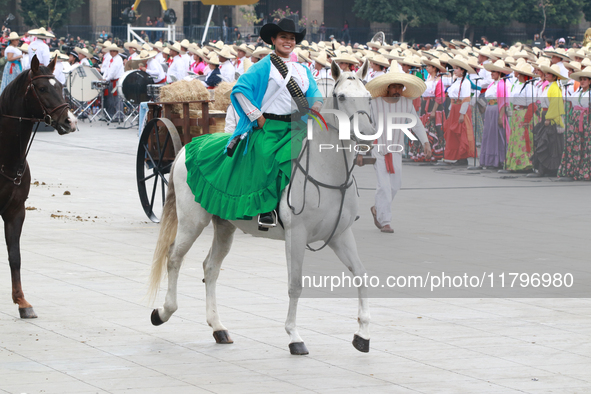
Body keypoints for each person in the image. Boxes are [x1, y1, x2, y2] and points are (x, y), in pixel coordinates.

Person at [183, 18, 322, 227]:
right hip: (270, 127)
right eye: (283, 37)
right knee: (266, 155)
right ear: (273, 40)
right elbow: (240, 90)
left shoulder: (303, 70)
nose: (288, 41)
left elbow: (315, 94)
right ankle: (267, 209)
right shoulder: (265, 65)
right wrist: (258, 118)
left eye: (292, 38)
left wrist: (316, 106)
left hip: (296, 126)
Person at [365, 72, 432, 233]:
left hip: (396, 150)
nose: (397, 90)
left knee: (395, 185)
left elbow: (416, 124)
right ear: (387, 88)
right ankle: (385, 221)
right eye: (394, 86)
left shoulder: (406, 104)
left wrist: (426, 142)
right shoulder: (374, 103)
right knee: (384, 186)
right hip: (378, 149)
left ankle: (377, 209)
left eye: (400, 87)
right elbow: (366, 124)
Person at [529, 64, 566, 177]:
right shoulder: (548, 86)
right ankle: (545, 169)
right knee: (546, 143)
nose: (546, 75)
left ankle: (544, 170)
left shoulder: (555, 88)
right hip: (545, 115)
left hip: (550, 117)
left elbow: (555, 105)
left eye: (549, 73)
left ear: (555, 76)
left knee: (547, 143)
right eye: (546, 73)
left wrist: (549, 118)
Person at [558, 66, 591, 181]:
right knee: (575, 144)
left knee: (586, 145)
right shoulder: (579, 91)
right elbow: (570, 102)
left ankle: (585, 171)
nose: (582, 81)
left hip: (587, 121)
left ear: (590, 81)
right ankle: (574, 169)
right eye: (581, 79)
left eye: (585, 79)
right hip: (576, 121)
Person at [443, 56, 477, 165]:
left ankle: (463, 157)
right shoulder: (456, 81)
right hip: (454, 108)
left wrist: (462, 113)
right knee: (453, 132)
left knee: (461, 132)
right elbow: (452, 98)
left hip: (461, 108)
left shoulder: (466, 82)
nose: (455, 70)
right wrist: (449, 111)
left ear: (462, 70)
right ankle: (456, 155)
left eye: (457, 68)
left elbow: (466, 98)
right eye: (455, 68)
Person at [480, 59, 512, 169]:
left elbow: (503, 101)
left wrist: (500, 116)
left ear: (500, 73)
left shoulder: (503, 84)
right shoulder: (492, 84)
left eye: (494, 71)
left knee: (497, 135)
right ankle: (488, 160)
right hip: (490, 109)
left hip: (497, 110)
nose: (491, 73)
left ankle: (498, 160)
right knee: (489, 135)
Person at [505, 62, 537, 172]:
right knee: (516, 139)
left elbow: (532, 105)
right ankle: (515, 163)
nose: (517, 76)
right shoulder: (519, 86)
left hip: (523, 114)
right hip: (516, 114)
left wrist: (527, 119)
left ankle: (525, 164)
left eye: (520, 74)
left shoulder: (530, 87)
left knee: (523, 139)